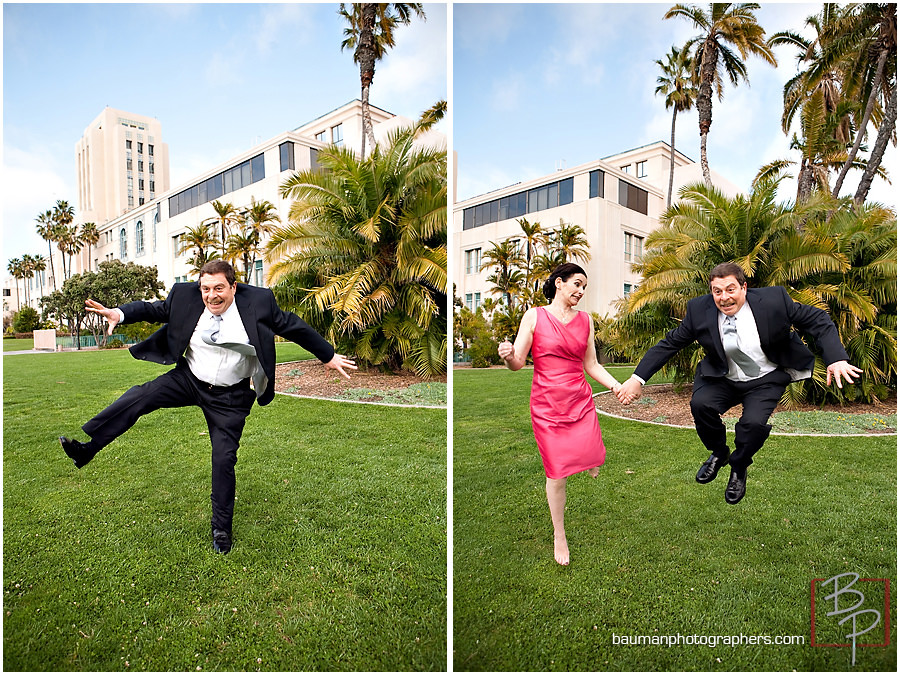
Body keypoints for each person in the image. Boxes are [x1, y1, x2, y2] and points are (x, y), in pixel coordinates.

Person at [58, 260, 356, 554]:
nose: (211, 295)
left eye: (218, 288)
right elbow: (154, 309)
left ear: (233, 287)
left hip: (230, 397)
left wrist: (327, 355)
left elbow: (294, 326)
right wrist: (120, 313)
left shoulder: (259, 302)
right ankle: (88, 449)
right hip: (190, 378)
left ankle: (221, 530)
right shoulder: (184, 295)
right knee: (141, 396)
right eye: (205, 288)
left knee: (223, 459)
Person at [616, 262, 861, 504]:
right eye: (717, 291)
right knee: (701, 405)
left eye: (730, 289)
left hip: (765, 377)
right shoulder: (699, 310)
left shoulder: (774, 300)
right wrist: (638, 378)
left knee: (753, 424)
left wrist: (836, 358)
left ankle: (739, 465)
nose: (724, 298)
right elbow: (670, 343)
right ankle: (719, 453)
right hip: (723, 378)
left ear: (744, 287)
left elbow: (817, 319)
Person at [498, 263, 622, 566]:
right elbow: (518, 363)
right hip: (546, 405)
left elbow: (591, 365)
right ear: (559, 283)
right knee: (556, 472)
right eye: (577, 284)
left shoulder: (586, 321)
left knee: (592, 452)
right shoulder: (534, 316)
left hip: (579, 400)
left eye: (584, 287)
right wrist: (509, 357)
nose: (580, 291)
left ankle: (590, 460)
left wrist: (617, 386)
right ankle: (559, 535)